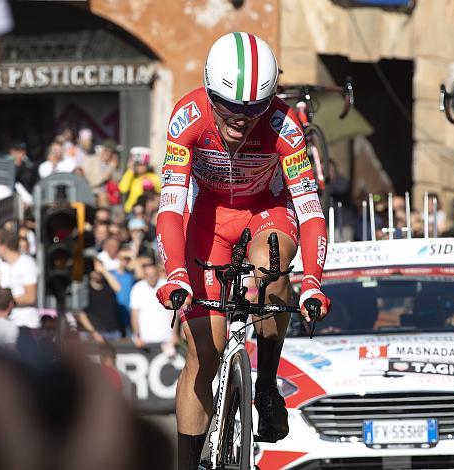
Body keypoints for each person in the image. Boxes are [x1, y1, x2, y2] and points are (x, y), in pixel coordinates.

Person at [154, 32, 330, 467]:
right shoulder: (188, 116)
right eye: (230, 106)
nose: (242, 118)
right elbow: (171, 207)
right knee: (203, 354)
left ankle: (267, 384)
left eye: (255, 107)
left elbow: (309, 213)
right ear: (210, 93)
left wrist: (312, 283)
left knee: (271, 265)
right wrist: (175, 273)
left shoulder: (284, 126)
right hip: (209, 221)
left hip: (267, 211)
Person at [76, 259, 122, 343]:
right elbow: (80, 314)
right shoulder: (84, 289)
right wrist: (93, 332)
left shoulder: (108, 286)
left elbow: (118, 288)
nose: (97, 273)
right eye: (94, 270)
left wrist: (104, 270)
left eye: (99, 270)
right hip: (89, 334)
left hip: (111, 332)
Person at [129, 263, 175, 347]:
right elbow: (135, 314)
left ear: (158, 273)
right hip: (145, 339)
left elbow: (173, 312)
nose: (150, 277)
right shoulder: (138, 288)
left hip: (166, 338)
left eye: (153, 274)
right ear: (144, 275)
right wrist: (137, 335)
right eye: (147, 274)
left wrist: (174, 334)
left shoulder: (166, 286)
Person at [118, 146, 160, 213]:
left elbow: (159, 189)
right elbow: (123, 188)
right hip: (132, 210)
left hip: (149, 210)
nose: (141, 167)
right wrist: (130, 170)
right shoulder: (132, 176)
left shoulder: (152, 176)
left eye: (143, 165)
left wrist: (151, 182)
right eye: (138, 165)